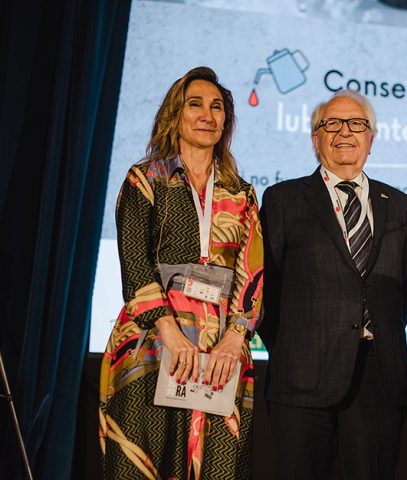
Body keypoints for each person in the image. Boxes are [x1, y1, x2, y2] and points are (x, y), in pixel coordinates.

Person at [99, 66, 264, 479]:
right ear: (176, 114)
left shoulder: (241, 192)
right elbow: (135, 264)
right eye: (196, 105)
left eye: (218, 107)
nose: (208, 115)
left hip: (223, 351)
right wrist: (170, 332)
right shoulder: (146, 179)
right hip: (153, 341)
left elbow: (253, 271)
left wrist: (234, 337)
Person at [258, 90, 407, 480]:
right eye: (332, 123)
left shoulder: (398, 203)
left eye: (357, 124)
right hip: (302, 379)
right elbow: (265, 288)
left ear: (371, 139)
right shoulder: (283, 199)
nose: (345, 132)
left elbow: (402, 287)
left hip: (379, 379)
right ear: (315, 138)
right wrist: (295, 345)